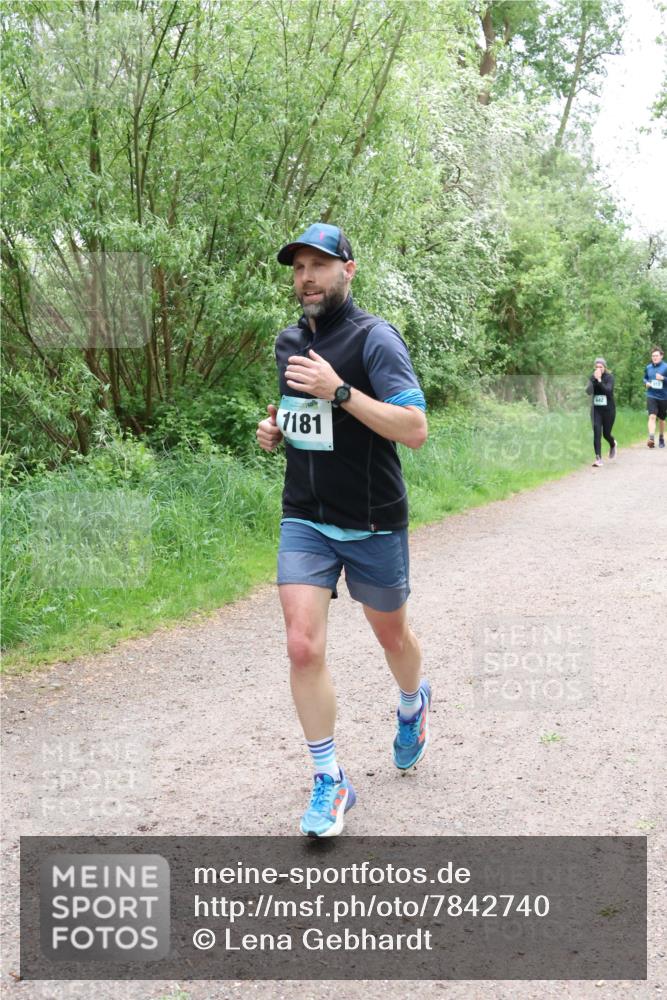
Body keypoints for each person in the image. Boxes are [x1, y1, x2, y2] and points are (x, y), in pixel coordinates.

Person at [256, 222, 430, 838]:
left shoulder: (376, 340)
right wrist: (277, 432)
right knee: (302, 644)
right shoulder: (287, 342)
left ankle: (413, 702)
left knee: (393, 639)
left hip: (374, 518)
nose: (306, 278)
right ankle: (330, 779)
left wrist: (343, 390)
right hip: (305, 515)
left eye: (319, 266)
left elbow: (413, 428)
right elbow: (305, 420)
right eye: (298, 268)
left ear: (348, 271)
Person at [585, 357, 616, 468]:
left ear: (604, 367)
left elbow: (608, 391)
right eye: (597, 367)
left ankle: (612, 444)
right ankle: (598, 458)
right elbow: (588, 392)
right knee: (597, 432)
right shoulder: (592, 377)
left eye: (600, 367)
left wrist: (599, 380)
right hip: (596, 410)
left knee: (606, 434)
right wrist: (594, 380)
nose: (598, 369)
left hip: (608, 410)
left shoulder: (609, 377)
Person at [643, 346, 667, 448]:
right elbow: (645, 378)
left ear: (661, 356)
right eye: (653, 356)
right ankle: (651, 439)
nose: (654, 357)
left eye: (656, 356)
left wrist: (663, 378)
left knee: (661, 419)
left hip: (663, 396)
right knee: (652, 416)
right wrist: (646, 383)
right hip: (651, 395)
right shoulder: (648, 367)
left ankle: (661, 437)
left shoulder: (666, 367)